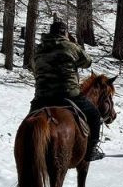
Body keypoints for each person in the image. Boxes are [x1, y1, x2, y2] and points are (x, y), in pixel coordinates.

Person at [31, 19, 102, 161]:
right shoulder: (70, 46)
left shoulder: (38, 49)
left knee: (29, 123)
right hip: (68, 94)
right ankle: (90, 151)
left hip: (42, 97)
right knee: (94, 116)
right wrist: (74, 43)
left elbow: (34, 68)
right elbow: (87, 62)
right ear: (64, 32)